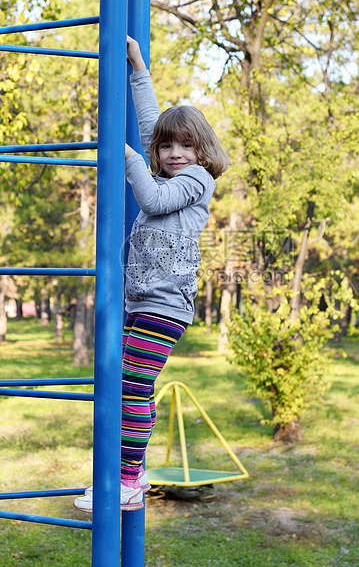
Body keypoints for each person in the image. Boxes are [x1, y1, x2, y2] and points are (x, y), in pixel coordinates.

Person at [74, 36, 230, 513]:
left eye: (187, 145)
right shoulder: (160, 165)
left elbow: (152, 200)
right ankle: (125, 475)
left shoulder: (194, 181)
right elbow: (150, 123)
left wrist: (127, 158)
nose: (175, 152)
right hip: (142, 300)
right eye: (166, 147)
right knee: (128, 387)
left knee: (133, 387)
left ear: (202, 151)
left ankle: (128, 479)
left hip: (166, 306)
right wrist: (139, 68)